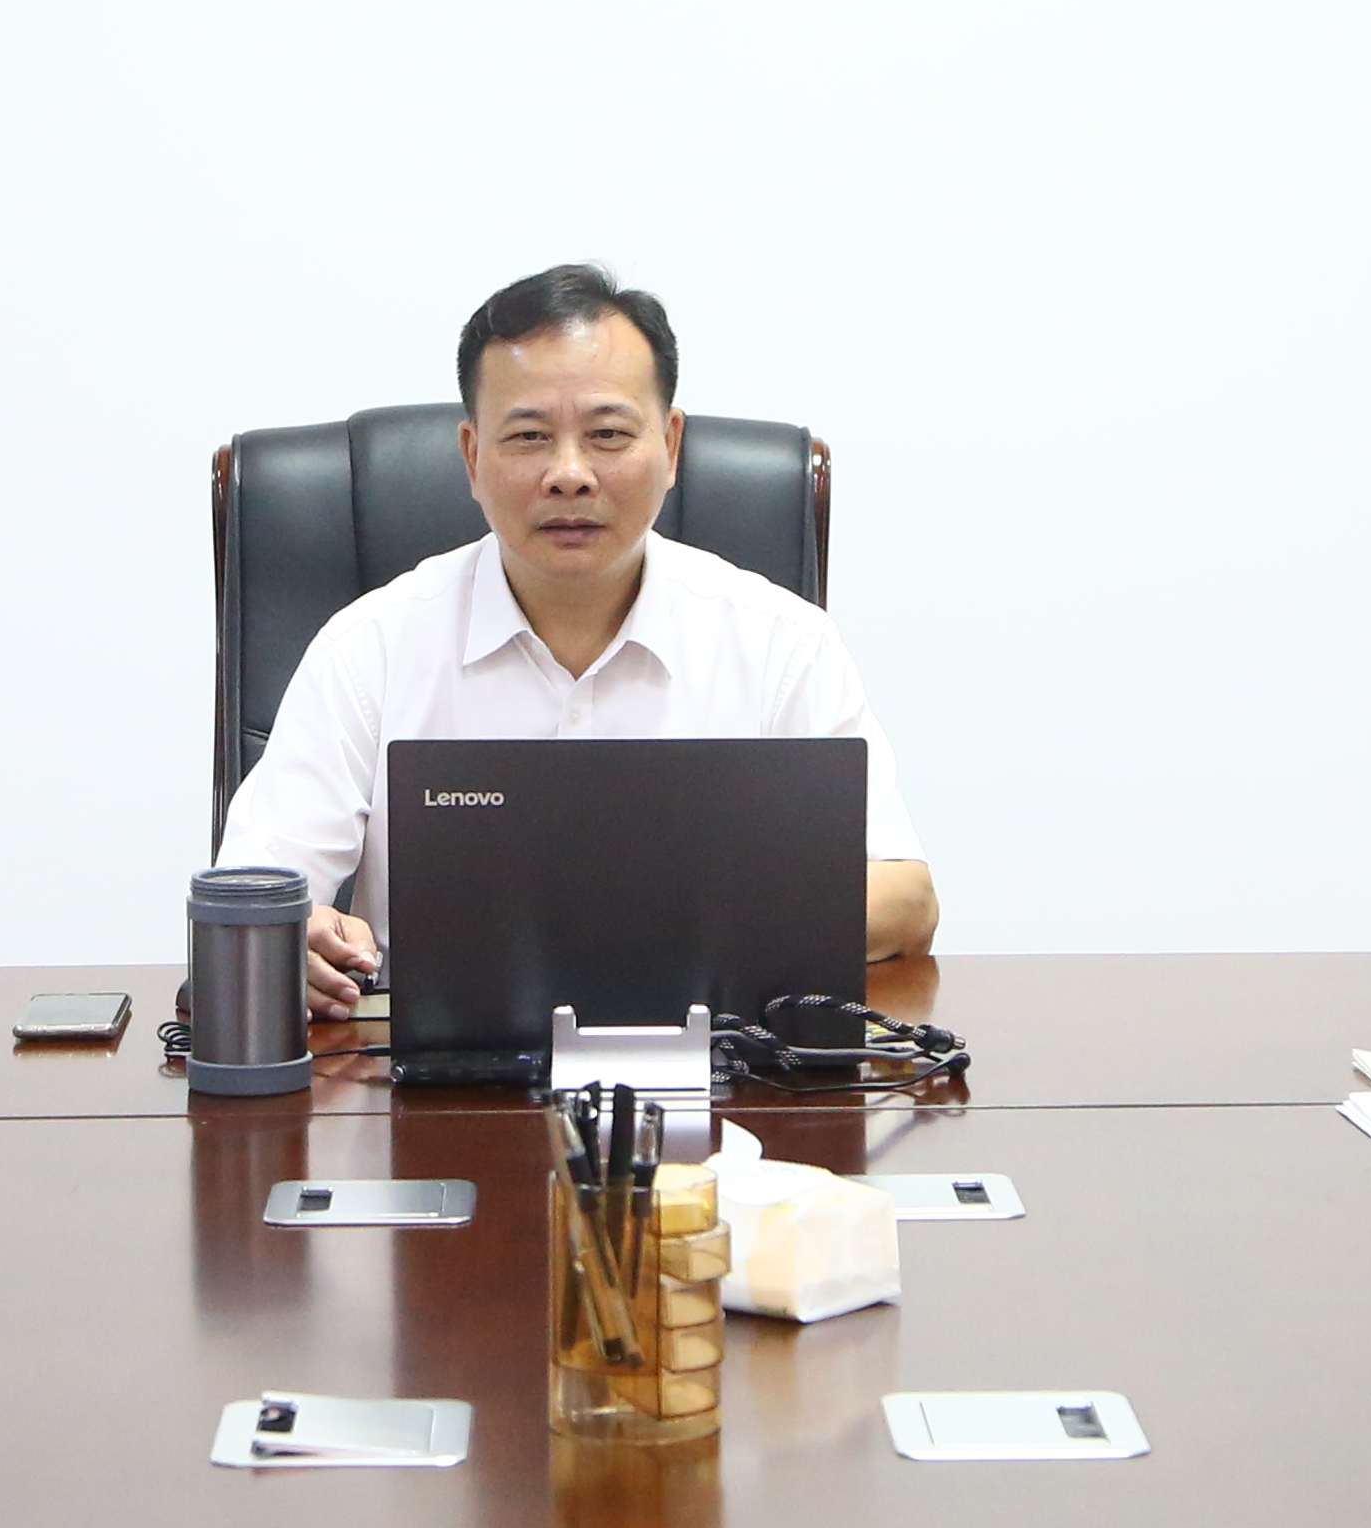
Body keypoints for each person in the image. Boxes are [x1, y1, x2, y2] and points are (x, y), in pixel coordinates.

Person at [223, 263, 932, 1016]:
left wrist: (665, 930)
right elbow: (248, 901)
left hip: (721, 1068)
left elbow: (907, 899)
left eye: (608, 435)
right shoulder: (371, 649)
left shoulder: (780, 644)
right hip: (435, 1069)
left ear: (671, 445)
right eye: (529, 436)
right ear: (472, 456)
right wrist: (295, 938)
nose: (569, 474)